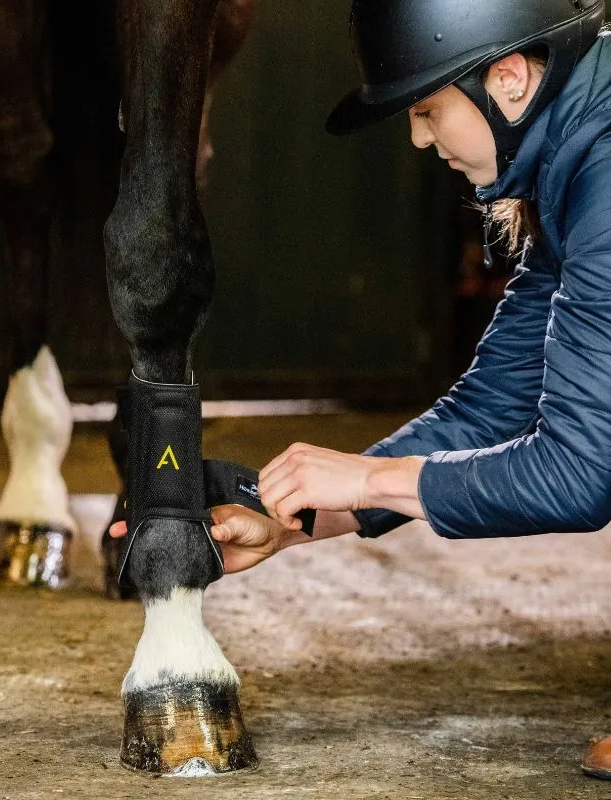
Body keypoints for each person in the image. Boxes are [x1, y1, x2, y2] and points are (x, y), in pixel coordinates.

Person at [111, 0, 611, 781]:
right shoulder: (574, 168)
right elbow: (491, 408)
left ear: (508, 79)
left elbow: (581, 474)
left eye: (426, 109)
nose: (418, 138)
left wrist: (371, 477)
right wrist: (296, 520)